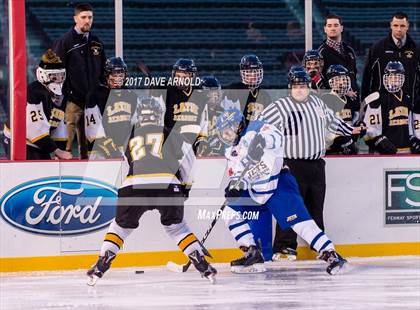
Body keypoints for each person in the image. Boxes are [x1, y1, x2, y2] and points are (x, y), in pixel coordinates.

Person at [87, 98, 217, 286]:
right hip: (167, 185)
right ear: (160, 114)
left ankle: (102, 263)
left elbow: (125, 165)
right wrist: (185, 187)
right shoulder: (172, 134)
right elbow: (190, 161)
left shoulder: (128, 136)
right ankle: (203, 265)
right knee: (177, 228)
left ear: (139, 115)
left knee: (120, 228)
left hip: (133, 185)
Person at [216, 108, 348, 275]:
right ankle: (252, 253)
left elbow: (277, 137)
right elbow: (237, 173)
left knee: (299, 222)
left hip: (278, 181)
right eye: (223, 132)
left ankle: (331, 254)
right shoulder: (231, 151)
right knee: (229, 212)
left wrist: (262, 142)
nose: (226, 135)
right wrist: (234, 186)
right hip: (255, 189)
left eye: (229, 129)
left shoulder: (258, 127)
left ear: (239, 124)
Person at [259, 66, 360, 261]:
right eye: (296, 85)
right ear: (290, 87)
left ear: (308, 86)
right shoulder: (280, 106)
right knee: (290, 207)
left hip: (316, 164)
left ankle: (319, 245)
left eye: (303, 85)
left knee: (316, 207)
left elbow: (333, 122)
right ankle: (284, 247)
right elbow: (260, 125)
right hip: (291, 165)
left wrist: (350, 129)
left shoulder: (317, 103)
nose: (299, 89)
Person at [52, 3, 106, 159]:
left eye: (90, 17)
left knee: (89, 145)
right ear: (75, 18)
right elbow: (55, 71)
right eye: (83, 17)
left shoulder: (96, 42)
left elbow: (103, 69)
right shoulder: (64, 42)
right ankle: (63, 178)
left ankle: (86, 177)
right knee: (66, 146)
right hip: (71, 102)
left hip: (92, 103)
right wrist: (64, 95)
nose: (87, 21)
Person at [3, 50, 72, 160]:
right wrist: (57, 151)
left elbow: (59, 124)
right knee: (35, 170)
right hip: (20, 139)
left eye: (61, 76)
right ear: (42, 75)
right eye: (54, 77)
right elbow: (34, 128)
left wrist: (60, 148)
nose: (58, 80)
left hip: (40, 139)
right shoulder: (34, 93)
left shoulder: (63, 93)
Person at [163, 58, 208, 196]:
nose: (181, 79)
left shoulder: (200, 95)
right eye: (178, 76)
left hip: (192, 143)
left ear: (192, 77)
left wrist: (202, 139)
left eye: (184, 76)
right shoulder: (167, 91)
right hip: (172, 142)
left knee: (192, 179)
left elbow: (204, 121)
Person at [85, 57, 140, 158]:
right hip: (99, 152)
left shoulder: (131, 96)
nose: (118, 77)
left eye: (121, 74)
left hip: (123, 151)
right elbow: (92, 131)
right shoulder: (95, 95)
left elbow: (135, 126)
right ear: (107, 75)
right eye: (114, 74)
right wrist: (111, 149)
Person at [361, 12, 419, 107]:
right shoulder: (378, 48)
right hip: (381, 105)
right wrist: (365, 103)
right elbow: (367, 77)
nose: (399, 29)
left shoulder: (416, 49)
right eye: (395, 25)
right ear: (391, 25)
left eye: (402, 26)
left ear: (407, 26)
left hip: (409, 105)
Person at [364, 61, 420, 154]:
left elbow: (411, 124)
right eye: (391, 77)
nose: (393, 79)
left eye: (397, 77)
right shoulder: (377, 97)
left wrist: (413, 138)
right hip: (385, 153)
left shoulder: (408, 97)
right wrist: (379, 140)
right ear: (385, 78)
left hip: (407, 151)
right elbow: (369, 128)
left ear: (402, 79)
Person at [318, 14, 359, 106]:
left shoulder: (349, 50)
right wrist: (342, 91)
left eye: (336, 25)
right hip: (333, 104)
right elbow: (321, 80)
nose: (333, 28)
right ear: (325, 29)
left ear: (341, 28)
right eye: (329, 26)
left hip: (353, 102)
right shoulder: (321, 52)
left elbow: (353, 76)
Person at [222, 54, 272, 128]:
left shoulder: (264, 95)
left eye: (255, 71)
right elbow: (225, 116)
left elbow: (269, 119)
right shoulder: (234, 90)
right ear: (242, 72)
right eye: (249, 71)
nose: (253, 75)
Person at [322, 65, 359, 155]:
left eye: (344, 79)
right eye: (338, 80)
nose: (342, 83)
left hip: (349, 147)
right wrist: (342, 141)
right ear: (331, 82)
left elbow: (354, 119)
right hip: (332, 150)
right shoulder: (326, 99)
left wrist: (359, 126)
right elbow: (327, 127)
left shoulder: (350, 99)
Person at [197, 75, 225, 157]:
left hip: (218, 153)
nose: (216, 96)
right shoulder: (197, 110)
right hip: (198, 151)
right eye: (212, 93)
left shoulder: (222, 111)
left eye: (217, 93)